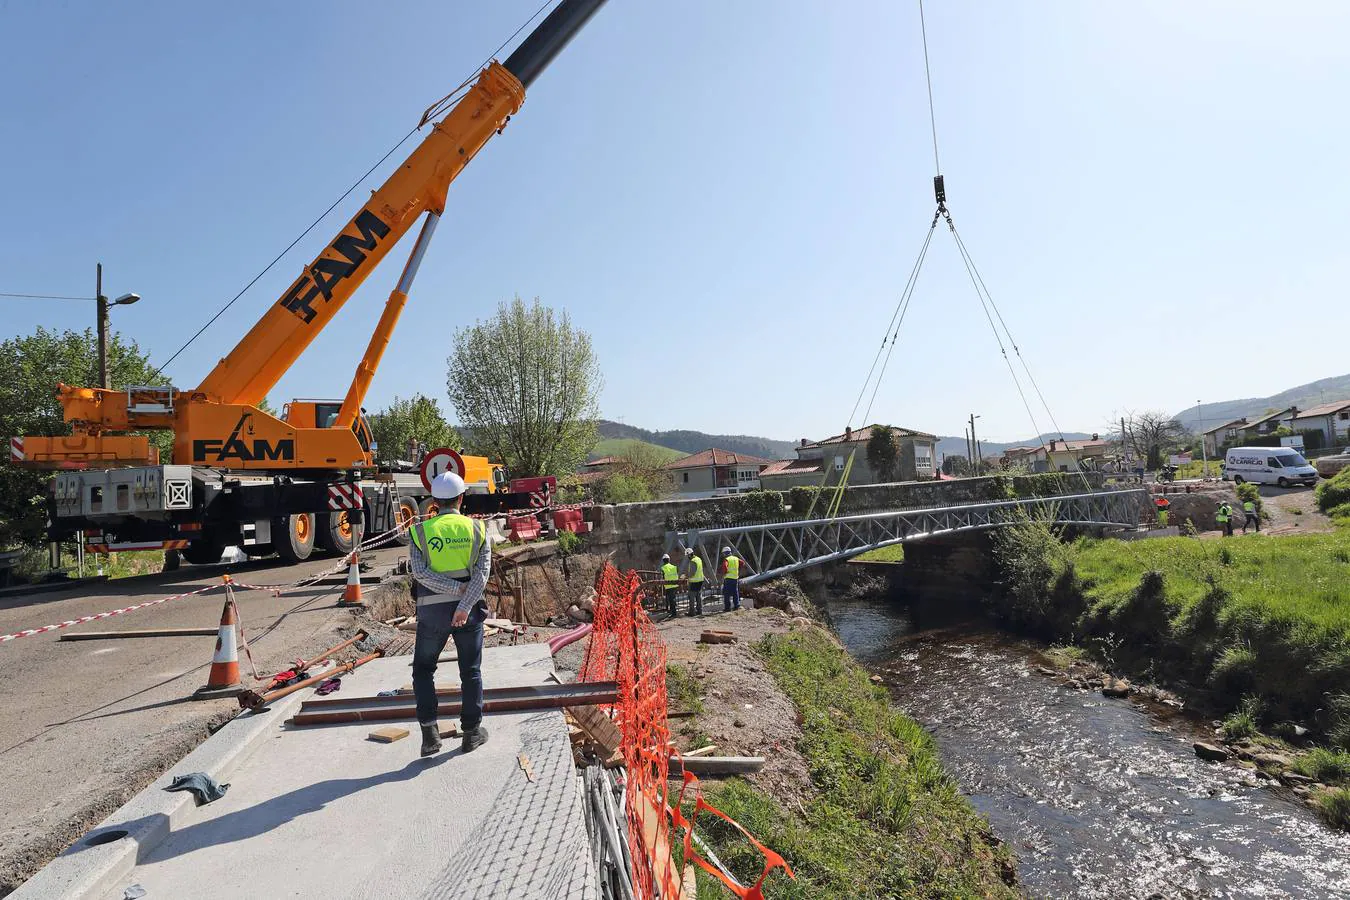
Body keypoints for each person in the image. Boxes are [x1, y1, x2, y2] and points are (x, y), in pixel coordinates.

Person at [409, 471, 491, 758]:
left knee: (422, 671)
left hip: (431, 615)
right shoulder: (478, 529)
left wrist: (452, 591)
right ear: (461, 497)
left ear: (433, 501)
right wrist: (464, 604)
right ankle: (471, 734)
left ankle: (430, 735)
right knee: (470, 672)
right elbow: (482, 575)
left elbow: (419, 572)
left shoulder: (420, 531)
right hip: (467, 615)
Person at [720, 547, 751, 612]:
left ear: (725, 553)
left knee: (726, 593)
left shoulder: (727, 559)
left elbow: (724, 568)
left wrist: (724, 573)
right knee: (735, 592)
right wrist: (737, 569)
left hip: (728, 578)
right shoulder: (736, 558)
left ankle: (727, 608)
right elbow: (742, 563)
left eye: (723, 554)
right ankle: (737, 606)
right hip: (735, 578)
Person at [684, 548, 705, 616]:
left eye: (687, 556)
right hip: (700, 581)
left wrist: (685, 576)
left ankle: (692, 612)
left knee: (692, 597)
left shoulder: (692, 561)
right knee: (699, 596)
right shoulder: (698, 559)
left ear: (689, 555)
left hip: (693, 582)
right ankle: (700, 610)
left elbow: (692, 573)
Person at [660, 554, 681, 618]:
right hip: (674, 585)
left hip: (668, 586)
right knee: (672, 599)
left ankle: (673, 613)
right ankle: (671, 610)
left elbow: (663, 577)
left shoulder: (663, 568)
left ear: (663, 561)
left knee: (671, 600)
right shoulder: (674, 567)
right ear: (669, 560)